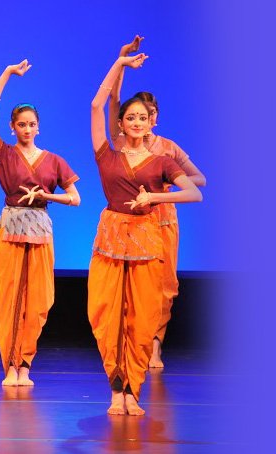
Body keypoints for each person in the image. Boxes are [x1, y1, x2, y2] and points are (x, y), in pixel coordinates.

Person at [88, 51, 202, 415]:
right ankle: (115, 388)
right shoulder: (107, 154)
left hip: (147, 239)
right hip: (111, 238)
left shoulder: (162, 160)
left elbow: (195, 191)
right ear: (120, 124)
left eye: (142, 117)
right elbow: (97, 105)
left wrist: (154, 196)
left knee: (142, 315)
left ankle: (133, 391)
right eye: (130, 118)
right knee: (106, 314)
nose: (137, 122)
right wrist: (119, 64)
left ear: (150, 122)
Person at [108, 36, 208, 368]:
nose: (143, 119)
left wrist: (163, 183)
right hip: (131, 219)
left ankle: (154, 343)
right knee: (129, 282)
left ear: (155, 118)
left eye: (149, 114)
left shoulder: (168, 148)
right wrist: (122, 59)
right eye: (137, 114)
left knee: (164, 284)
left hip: (163, 220)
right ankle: (129, 340)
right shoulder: (122, 141)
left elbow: (199, 180)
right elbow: (113, 100)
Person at [0, 60, 81, 387]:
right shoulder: (4, 154)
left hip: (40, 228)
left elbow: (75, 198)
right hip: (11, 228)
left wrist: (46, 196)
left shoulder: (54, 160)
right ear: (12, 127)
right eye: (21, 124)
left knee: (38, 301)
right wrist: (7, 74)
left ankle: (25, 364)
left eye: (32, 124)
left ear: (39, 127)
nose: (27, 129)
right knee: (10, 299)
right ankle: (10, 366)